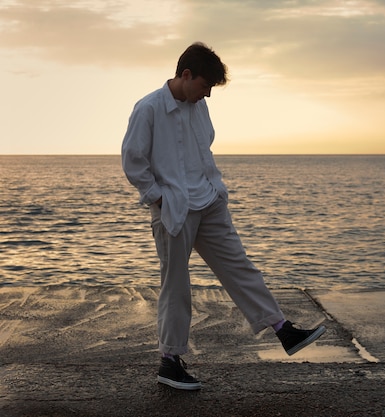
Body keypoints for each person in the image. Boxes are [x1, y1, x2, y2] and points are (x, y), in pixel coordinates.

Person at [121, 42, 325, 391]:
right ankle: (170, 362)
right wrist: (158, 199)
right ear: (186, 75)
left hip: (209, 201)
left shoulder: (198, 107)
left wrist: (216, 190)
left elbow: (204, 149)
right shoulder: (149, 108)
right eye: (205, 86)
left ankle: (283, 329)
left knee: (239, 266)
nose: (207, 95)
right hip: (174, 208)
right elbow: (132, 160)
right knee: (176, 285)